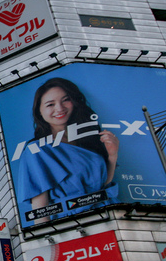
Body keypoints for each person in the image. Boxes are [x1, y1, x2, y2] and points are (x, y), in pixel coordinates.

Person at [18, 77, 119, 223]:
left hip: (110, 214)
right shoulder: (36, 150)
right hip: (74, 223)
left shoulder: (89, 138)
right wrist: (46, 240)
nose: (59, 108)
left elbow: (102, 185)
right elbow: (40, 212)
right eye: (50, 104)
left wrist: (112, 155)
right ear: (39, 111)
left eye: (65, 100)